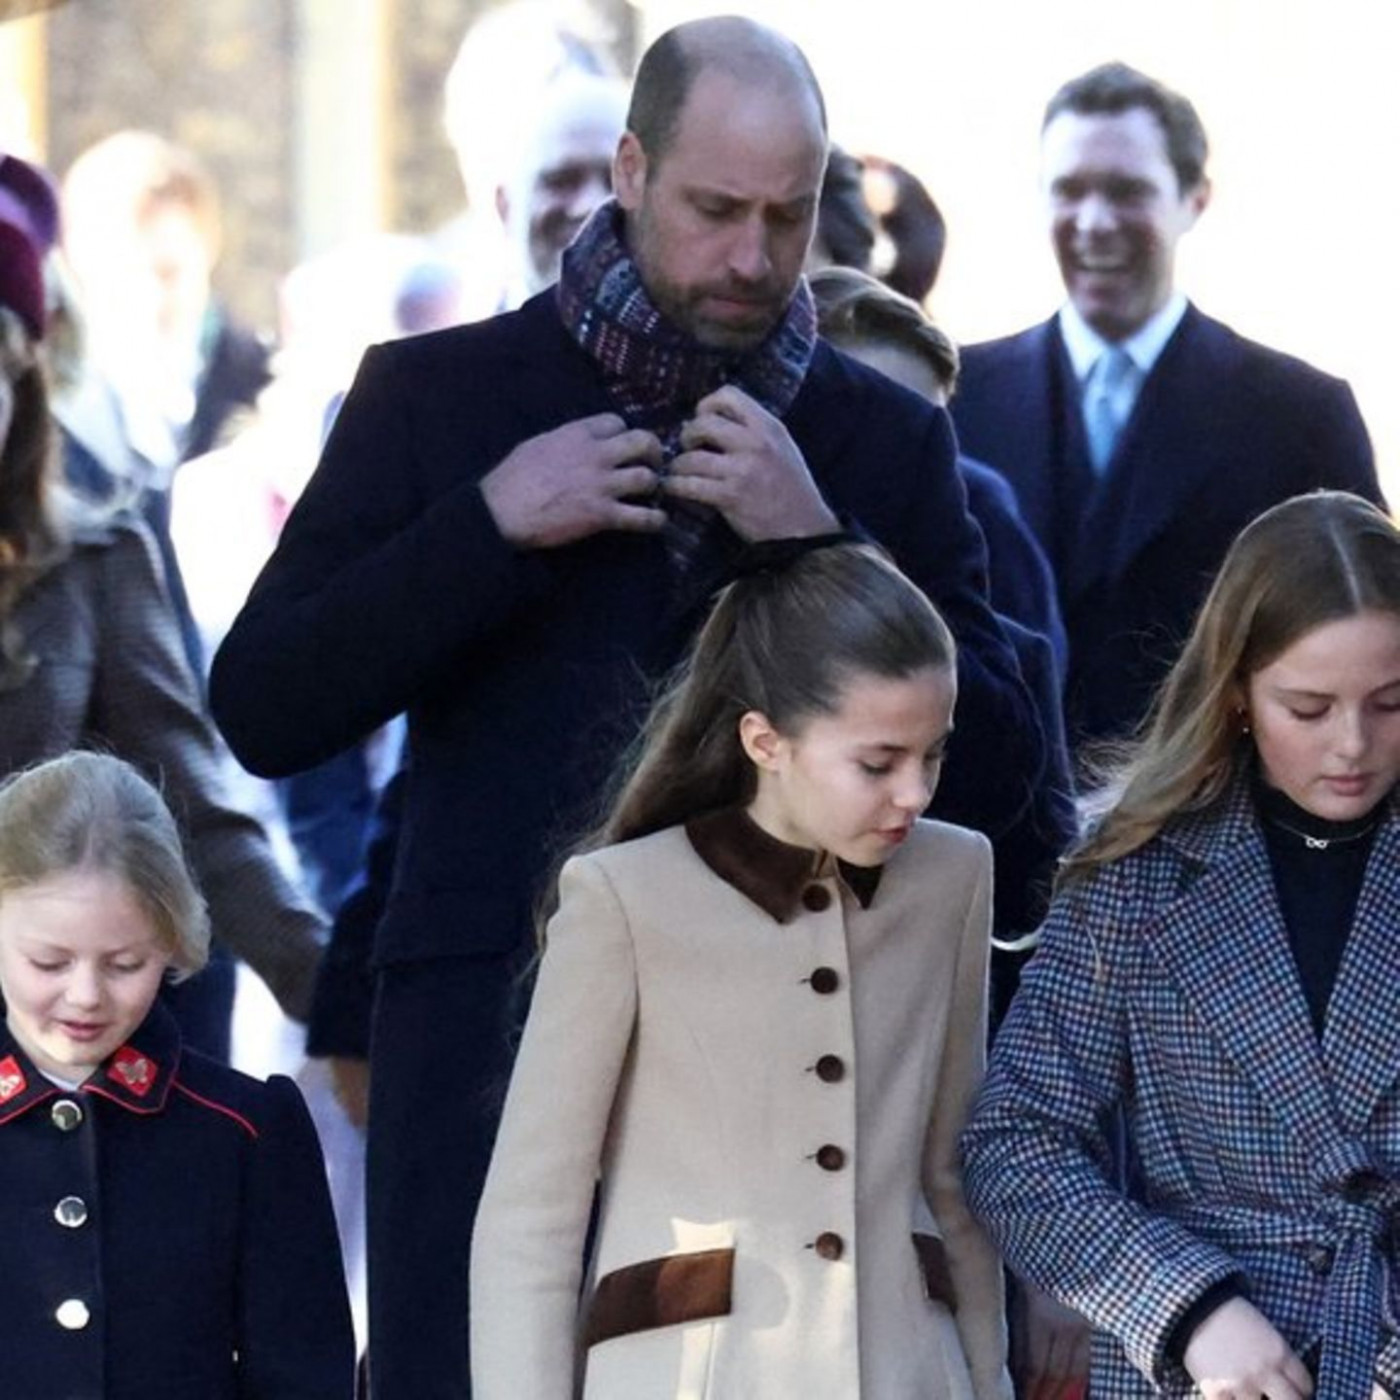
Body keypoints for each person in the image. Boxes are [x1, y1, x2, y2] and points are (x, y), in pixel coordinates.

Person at [209, 17, 1048, 1397]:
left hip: (781, 1095)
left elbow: (1012, 788)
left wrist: (820, 543)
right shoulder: (439, 395)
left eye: (786, 215)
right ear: (630, 172)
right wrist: (484, 526)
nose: (754, 257)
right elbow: (263, 704)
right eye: (716, 210)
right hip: (488, 1047)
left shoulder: (879, 439)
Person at [471, 541, 1009, 1400]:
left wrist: (988, 1380)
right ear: (765, 741)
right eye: (878, 763)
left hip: (907, 1370)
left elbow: (950, 1180)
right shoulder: (623, 898)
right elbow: (532, 1216)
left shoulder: (955, 877)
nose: (914, 792)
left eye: (933, 755)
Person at [962, 490, 1400, 1400]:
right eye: (1309, 708)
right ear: (1237, 693)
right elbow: (1014, 1142)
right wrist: (1188, 1307)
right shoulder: (1135, 872)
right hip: (1205, 1368)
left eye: (1392, 703)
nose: (1352, 745)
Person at [951, 63, 1384, 753]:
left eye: (1128, 192)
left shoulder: (1300, 414)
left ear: (1194, 199)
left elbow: (1366, 636)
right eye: (1069, 191)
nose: (1095, 222)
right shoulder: (956, 399)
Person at [0, 151, 325, 1060]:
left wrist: (334, 992)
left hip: (40, 1061)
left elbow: (197, 813)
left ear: (22, 382)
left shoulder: (93, 562)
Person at [0, 750, 355, 1398]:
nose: (85, 996)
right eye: (49, 962)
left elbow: (304, 1374)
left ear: (172, 938)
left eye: (124, 964)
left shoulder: (246, 1130)